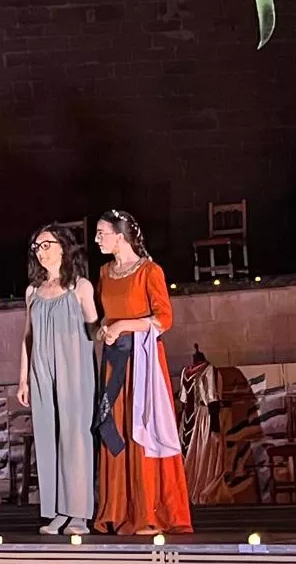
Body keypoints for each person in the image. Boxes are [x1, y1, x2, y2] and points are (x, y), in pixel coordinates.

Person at [91, 210, 192, 536]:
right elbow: (107, 316)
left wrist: (123, 326)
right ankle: (118, 509)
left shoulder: (149, 271)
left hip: (143, 362)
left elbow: (164, 318)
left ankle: (149, 511)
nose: (97, 239)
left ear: (120, 236)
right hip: (113, 362)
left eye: (101, 233)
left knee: (141, 427)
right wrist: (105, 329)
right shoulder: (105, 273)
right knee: (116, 426)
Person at [16, 224, 99, 535]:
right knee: (48, 436)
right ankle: (57, 511)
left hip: (74, 369)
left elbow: (95, 330)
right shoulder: (32, 292)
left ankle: (78, 513)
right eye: (37, 246)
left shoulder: (81, 287)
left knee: (75, 438)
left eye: (47, 244)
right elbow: (28, 336)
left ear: (64, 247)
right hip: (41, 369)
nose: (41, 250)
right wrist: (23, 378)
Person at [177, 345, 226, 505]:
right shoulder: (196, 370)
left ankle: (198, 486)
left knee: (200, 453)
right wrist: (215, 428)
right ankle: (191, 487)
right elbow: (211, 397)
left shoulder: (200, 370)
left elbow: (208, 398)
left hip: (197, 417)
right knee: (196, 452)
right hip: (197, 417)